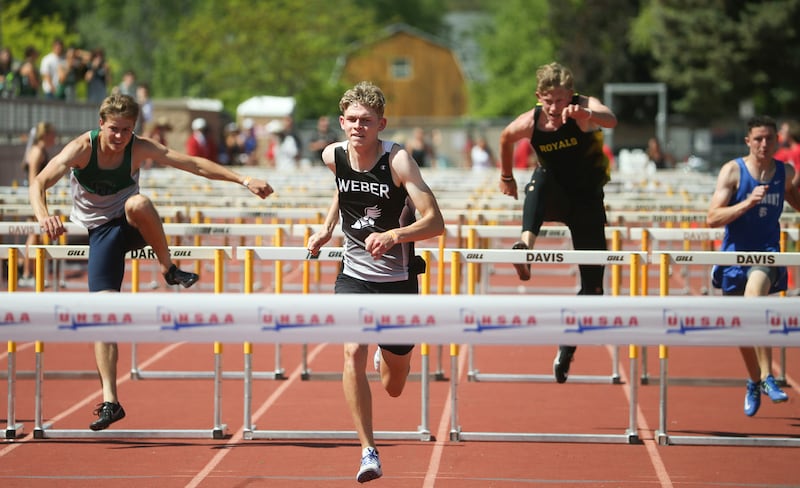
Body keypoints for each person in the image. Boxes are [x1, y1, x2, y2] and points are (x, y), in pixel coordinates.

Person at [29, 93, 274, 431]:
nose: (119, 137)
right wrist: (44, 217)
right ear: (101, 125)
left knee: (138, 203)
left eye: (126, 130)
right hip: (100, 232)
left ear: (134, 130)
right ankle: (110, 401)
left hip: (131, 224)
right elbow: (39, 181)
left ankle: (167, 266)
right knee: (102, 312)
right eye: (114, 129)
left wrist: (244, 181)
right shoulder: (81, 148)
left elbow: (193, 164)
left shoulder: (139, 147)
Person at [306, 81, 444, 483]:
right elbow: (342, 191)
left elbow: (435, 222)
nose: (358, 127)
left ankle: (393, 355)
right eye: (351, 120)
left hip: (397, 279)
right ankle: (369, 450)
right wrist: (327, 228)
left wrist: (394, 236)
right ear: (341, 121)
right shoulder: (332, 156)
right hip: (353, 275)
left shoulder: (399, 162)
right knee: (351, 353)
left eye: (366, 121)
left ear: (381, 123)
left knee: (395, 385)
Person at [498, 62, 617, 384]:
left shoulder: (584, 106)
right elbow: (506, 138)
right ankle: (526, 247)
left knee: (594, 288)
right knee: (541, 177)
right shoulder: (531, 120)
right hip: (552, 193)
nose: (554, 108)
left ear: (571, 96)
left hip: (587, 199)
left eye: (561, 101)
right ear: (539, 97)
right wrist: (507, 176)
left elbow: (612, 120)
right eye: (548, 101)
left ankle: (567, 347)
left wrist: (586, 116)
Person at [706, 115, 800, 417]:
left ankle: (768, 378)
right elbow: (712, 217)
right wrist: (746, 203)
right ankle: (754, 380)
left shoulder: (785, 172)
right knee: (741, 328)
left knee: (754, 303)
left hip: (767, 255)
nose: (763, 144)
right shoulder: (733, 171)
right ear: (748, 140)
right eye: (758, 138)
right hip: (734, 256)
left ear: (777, 141)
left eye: (769, 139)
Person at [19, 122, 58, 287]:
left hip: (37, 197)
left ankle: (30, 273)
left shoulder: (40, 150)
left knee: (35, 235)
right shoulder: (37, 151)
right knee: (33, 235)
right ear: (45, 135)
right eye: (53, 134)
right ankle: (27, 273)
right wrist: (37, 203)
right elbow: (33, 180)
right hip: (34, 197)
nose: (55, 138)